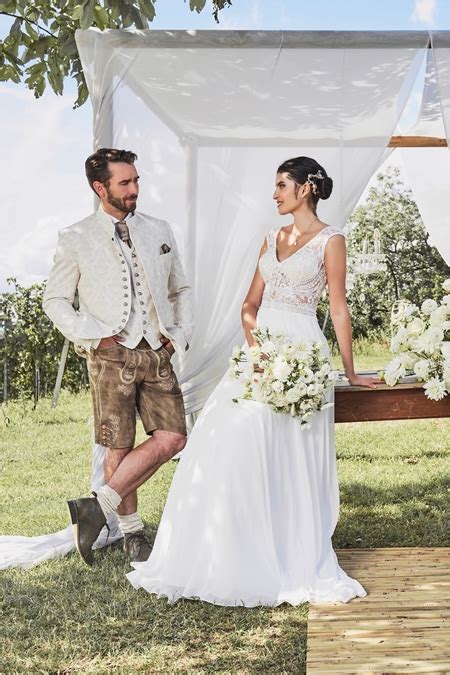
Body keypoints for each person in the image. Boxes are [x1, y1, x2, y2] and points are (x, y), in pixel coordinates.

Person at [126, 156, 380, 606]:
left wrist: (351, 370)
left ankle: (290, 550)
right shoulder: (270, 237)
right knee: (228, 441)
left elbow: (338, 308)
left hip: (303, 349)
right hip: (258, 354)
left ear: (306, 188)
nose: (275, 193)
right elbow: (249, 305)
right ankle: (223, 551)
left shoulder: (331, 240)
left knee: (292, 450)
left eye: (282, 184)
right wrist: (257, 350)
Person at [43, 148, 192, 565]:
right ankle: (132, 535)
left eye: (136, 181)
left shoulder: (158, 228)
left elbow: (181, 289)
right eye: (125, 183)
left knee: (173, 437)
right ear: (99, 187)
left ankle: (98, 505)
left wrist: (176, 336)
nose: (134, 189)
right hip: (109, 357)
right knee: (118, 446)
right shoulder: (75, 237)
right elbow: (55, 300)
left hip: (157, 351)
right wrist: (93, 337)